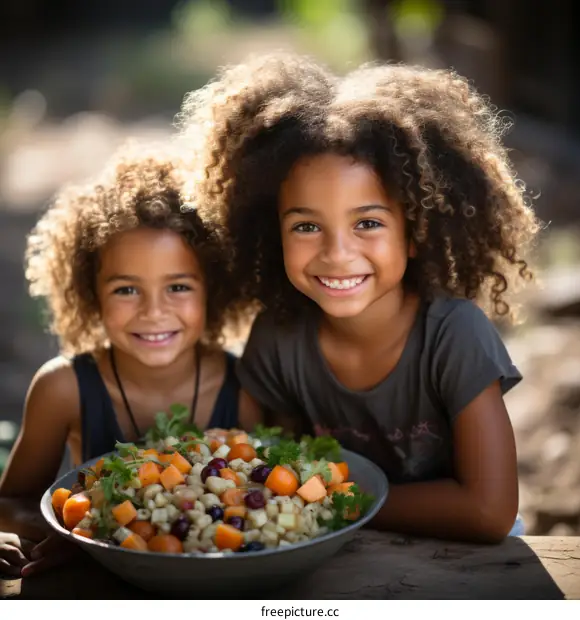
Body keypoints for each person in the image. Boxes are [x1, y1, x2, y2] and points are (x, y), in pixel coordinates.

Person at [178, 52, 540, 544]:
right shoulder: (279, 338)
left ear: (416, 232)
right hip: (342, 549)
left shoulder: (455, 334)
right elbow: (270, 472)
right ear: (271, 234)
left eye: (367, 223)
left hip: (466, 557)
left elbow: (488, 512)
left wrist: (335, 498)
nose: (337, 253)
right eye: (306, 226)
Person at [0, 143, 262, 576]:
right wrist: (76, 533)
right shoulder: (63, 387)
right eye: (126, 289)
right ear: (90, 292)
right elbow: (11, 501)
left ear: (213, 289)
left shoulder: (245, 387)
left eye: (178, 287)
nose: (153, 311)